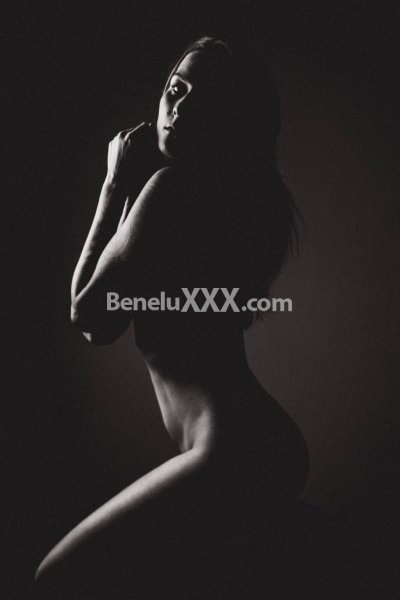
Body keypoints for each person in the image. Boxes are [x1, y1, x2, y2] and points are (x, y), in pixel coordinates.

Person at [35, 36, 309, 599]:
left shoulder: (169, 190)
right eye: (175, 90)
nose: (179, 108)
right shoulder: (230, 200)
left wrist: (115, 185)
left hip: (228, 452)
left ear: (231, 121)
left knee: (56, 579)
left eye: (203, 99)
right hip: (263, 446)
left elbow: (91, 316)